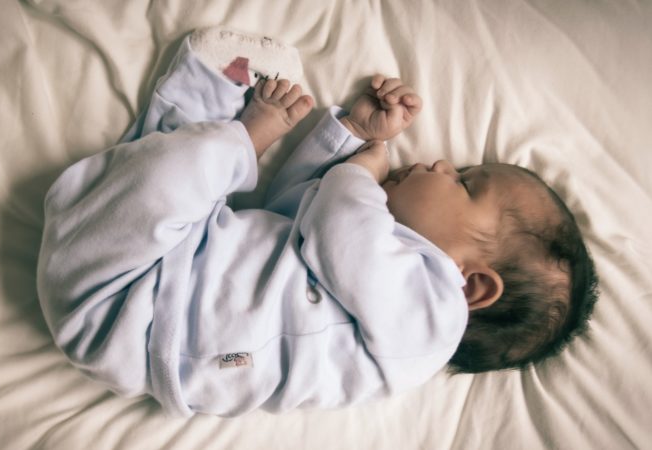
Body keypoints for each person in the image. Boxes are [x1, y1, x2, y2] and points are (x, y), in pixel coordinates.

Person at [36, 29, 597, 417]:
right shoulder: (370, 287)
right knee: (176, 183)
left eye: (466, 183)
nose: (443, 164)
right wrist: (354, 132)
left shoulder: (430, 324)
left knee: (171, 177)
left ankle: (234, 122)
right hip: (164, 272)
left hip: (128, 319)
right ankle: (210, 108)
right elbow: (290, 216)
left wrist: (361, 169)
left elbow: (339, 228)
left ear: (471, 283)